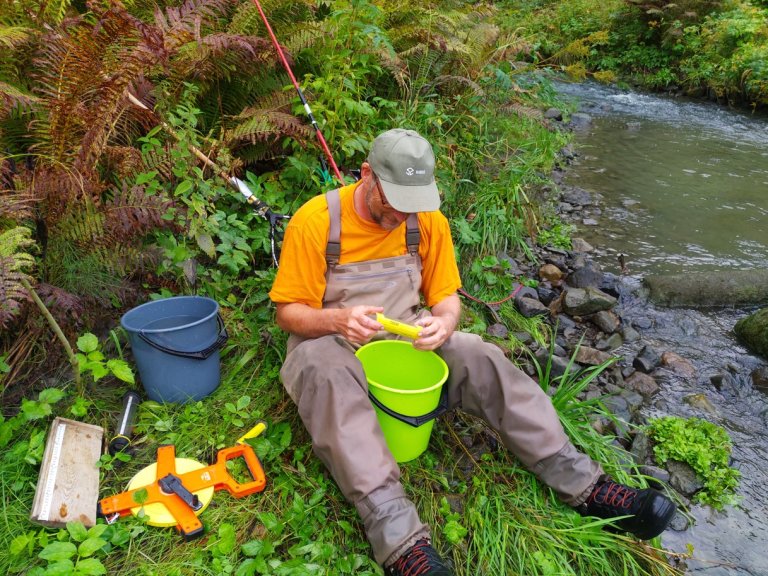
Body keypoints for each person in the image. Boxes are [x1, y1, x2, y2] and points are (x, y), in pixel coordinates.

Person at [269, 128, 676, 575]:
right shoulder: (317, 221)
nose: (403, 213)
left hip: (403, 338)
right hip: (328, 344)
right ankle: (401, 542)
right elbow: (288, 314)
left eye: (413, 201)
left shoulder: (427, 221)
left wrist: (443, 324)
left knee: (479, 354)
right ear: (367, 175)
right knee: (327, 370)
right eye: (393, 201)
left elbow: (446, 299)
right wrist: (336, 321)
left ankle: (586, 485)